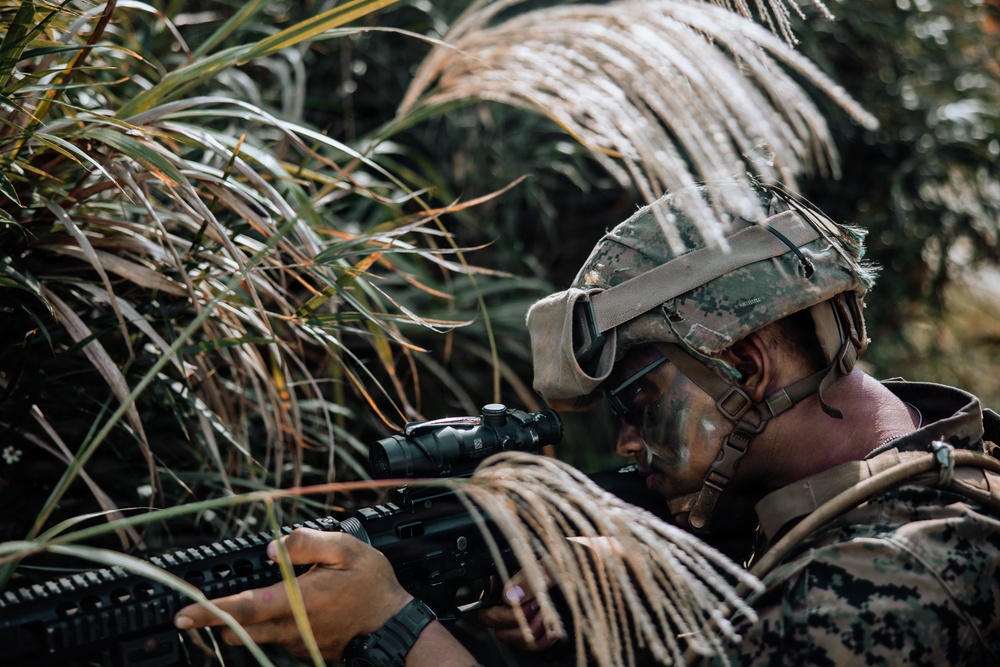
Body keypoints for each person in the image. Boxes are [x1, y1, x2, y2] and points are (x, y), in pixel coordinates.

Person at [175, 184, 1000, 665]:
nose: (628, 446)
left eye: (638, 402)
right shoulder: (921, 465)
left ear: (747, 367)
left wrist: (391, 628)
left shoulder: (884, 582)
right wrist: (621, 579)